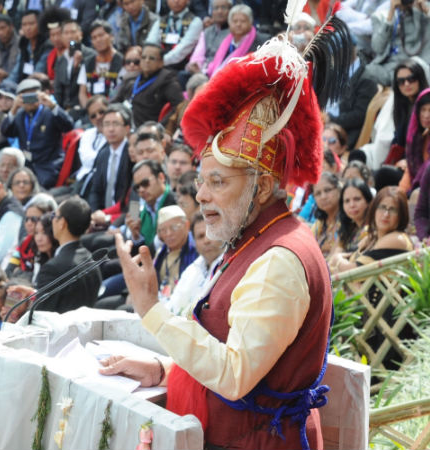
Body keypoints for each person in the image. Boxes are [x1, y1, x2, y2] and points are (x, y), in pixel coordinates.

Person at [101, 22, 340, 448]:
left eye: (218, 182)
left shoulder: (279, 259)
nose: (202, 195)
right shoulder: (254, 239)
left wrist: (152, 309)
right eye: (201, 181)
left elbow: (235, 376)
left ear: (262, 187)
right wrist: (162, 370)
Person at [0, 78, 74, 188]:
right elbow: (6, 131)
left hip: (47, 166)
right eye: (25, 97)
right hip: (27, 165)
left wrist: (51, 104)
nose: (29, 101)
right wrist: (13, 109)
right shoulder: (20, 115)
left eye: (32, 96)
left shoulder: (49, 112)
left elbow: (68, 125)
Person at [331, 186, 413, 272]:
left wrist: (338, 260)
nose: (386, 214)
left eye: (393, 210)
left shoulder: (397, 238)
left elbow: (356, 271)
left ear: (401, 216)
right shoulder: (372, 238)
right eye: (382, 207)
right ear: (374, 209)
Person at [112, 44, 184, 127]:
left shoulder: (167, 80)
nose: (147, 61)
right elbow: (116, 100)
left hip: (150, 130)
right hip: (125, 128)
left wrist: (160, 126)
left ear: (161, 62)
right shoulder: (130, 78)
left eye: (152, 58)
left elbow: (179, 107)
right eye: (143, 57)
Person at [166, 213, 223, 316]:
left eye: (211, 233)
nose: (206, 240)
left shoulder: (231, 265)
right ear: (194, 242)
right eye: (200, 236)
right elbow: (173, 306)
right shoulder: (191, 270)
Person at [87, 104, 133, 211]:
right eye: (106, 124)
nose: (111, 129)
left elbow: (134, 196)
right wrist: (95, 213)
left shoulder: (132, 154)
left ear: (127, 128)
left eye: (115, 124)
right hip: (102, 215)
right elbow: (95, 190)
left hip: (125, 215)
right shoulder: (103, 154)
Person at [206, 5, 270, 77]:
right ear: (229, 23)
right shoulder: (226, 41)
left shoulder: (261, 41)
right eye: (235, 21)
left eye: (243, 21)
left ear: (250, 22)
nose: (238, 24)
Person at [145, 0, 203, 71]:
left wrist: (160, 61)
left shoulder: (195, 22)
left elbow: (183, 49)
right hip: (159, 64)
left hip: (182, 67)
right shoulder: (160, 21)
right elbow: (150, 43)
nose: (176, 1)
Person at [78, 20, 124, 107]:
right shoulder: (88, 63)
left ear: (111, 36)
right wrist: (90, 110)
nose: (98, 40)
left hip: (114, 109)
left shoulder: (122, 61)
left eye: (101, 35)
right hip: (91, 111)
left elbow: (121, 92)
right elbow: (82, 94)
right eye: (94, 38)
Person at [187, 0, 230, 75]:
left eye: (223, 8)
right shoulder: (207, 31)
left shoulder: (234, 33)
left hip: (220, 72)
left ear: (230, 11)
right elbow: (198, 54)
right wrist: (195, 65)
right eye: (216, 8)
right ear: (212, 13)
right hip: (201, 70)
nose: (219, 11)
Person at [400, 88, 430, 192]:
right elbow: (410, 170)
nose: (426, 115)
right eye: (423, 110)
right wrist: (401, 192)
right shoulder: (423, 136)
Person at [336, 178, 373, 252]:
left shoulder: (373, 229)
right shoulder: (348, 228)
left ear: (368, 201)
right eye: (347, 201)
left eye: (357, 199)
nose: (352, 205)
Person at [310, 172, 342, 258]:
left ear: (339, 189)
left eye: (327, 190)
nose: (323, 197)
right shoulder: (318, 224)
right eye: (318, 193)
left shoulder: (347, 220)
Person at [0, 14, 20, 84]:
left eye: (3, 28)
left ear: (11, 27)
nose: (0, 32)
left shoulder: (21, 45)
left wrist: (6, 75)